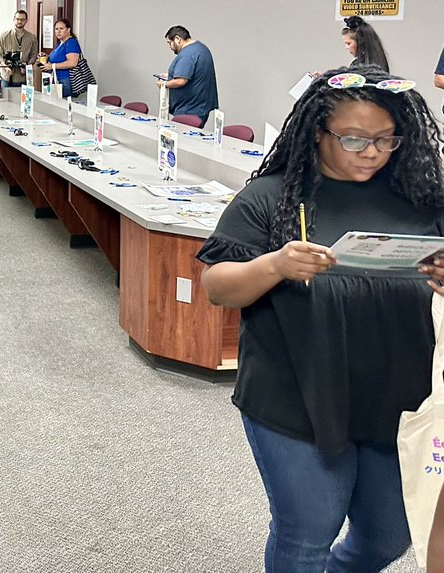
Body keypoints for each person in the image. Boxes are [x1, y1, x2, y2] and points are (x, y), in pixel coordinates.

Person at [197, 66, 444, 570]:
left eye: (385, 140)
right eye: (353, 139)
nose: (372, 152)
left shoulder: (421, 198)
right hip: (295, 395)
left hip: (398, 396)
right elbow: (217, 286)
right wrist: (275, 264)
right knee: (306, 533)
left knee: (390, 535)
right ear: (318, 132)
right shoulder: (272, 197)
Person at [157, 25, 218, 124]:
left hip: (189, 110)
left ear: (177, 39)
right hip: (198, 108)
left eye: (169, 43)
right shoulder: (200, 48)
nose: (169, 47)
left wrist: (163, 84)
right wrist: (170, 75)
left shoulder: (187, 53)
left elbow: (181, 81)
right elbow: (192, 74)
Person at [0, 10, 38, 89]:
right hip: (7, 76)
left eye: (22, 19)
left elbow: (34, 55)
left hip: (23, 76)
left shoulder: (32, 38)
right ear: (13, 19)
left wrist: (27, 66)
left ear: (26, 21)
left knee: (23, 100)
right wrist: (5, 66)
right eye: (17, 19)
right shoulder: (4, 36)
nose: (19, 21)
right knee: (6, 100)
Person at [40, 18, 81, 98]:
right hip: (54, 78)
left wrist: (52, 66)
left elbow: (72, 63)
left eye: (61, 29)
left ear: (68, 30)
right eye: (56, 29)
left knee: (63, 105)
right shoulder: (60, 43)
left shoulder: (71, 42)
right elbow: (58, 58)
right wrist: (46, 57)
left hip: (65, 80)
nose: (58, 31)